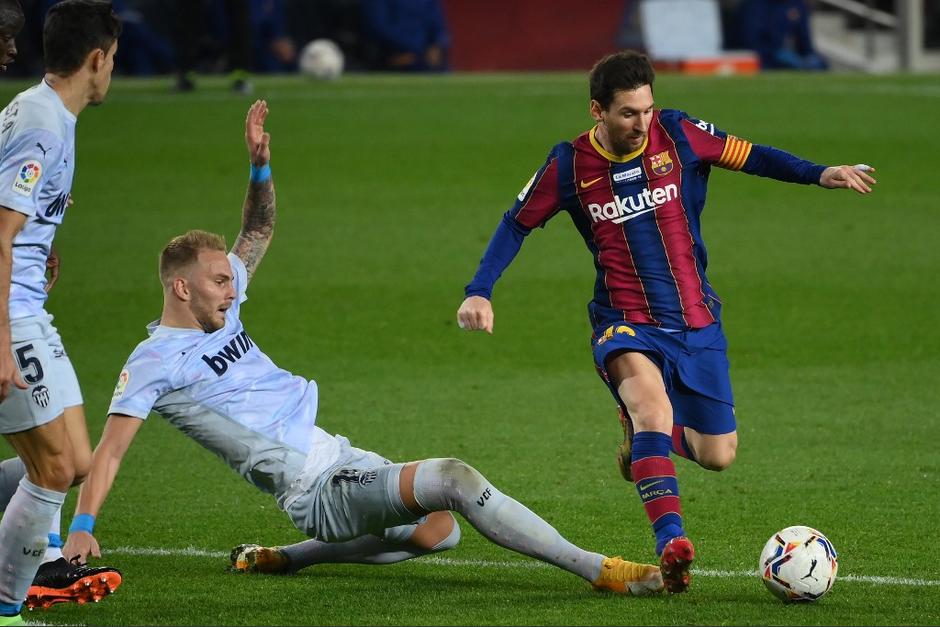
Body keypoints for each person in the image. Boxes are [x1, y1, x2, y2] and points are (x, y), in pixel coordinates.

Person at [61, 100, 664, 598]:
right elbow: (109, 452)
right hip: (313, 488)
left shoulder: (220, 310)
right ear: (180, 287)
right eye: (219, 281)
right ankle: (598, 570)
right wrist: (84, 526)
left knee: (439, 531)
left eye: (230, 279)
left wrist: (260, 168)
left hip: (337, 454)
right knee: (453, 477)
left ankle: (286, 559)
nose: (233, 286)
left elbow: (259, 230)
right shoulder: (153, 362)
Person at [455, 50, 875, 594]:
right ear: (597, 111)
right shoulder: (570, 165)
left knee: (716, 454)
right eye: (628, 113)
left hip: (697, 320)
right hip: (623, 321)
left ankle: (641, 440)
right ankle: (671, 544)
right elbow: (515, 224)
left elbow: (753, 156)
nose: (642, 124)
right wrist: (479, 292)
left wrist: (822, 174)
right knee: (651, 407)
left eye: (647, 110)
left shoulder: (678, 133)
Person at [0, 1, 124, 622]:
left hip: (26, 304)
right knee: (50, 467)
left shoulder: (45, 114)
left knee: (74, 463)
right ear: (97, 58)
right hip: (8, 313)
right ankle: (4, 608)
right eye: (113, 62)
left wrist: (42, 245)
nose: (111, 76)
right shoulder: (43, 124)